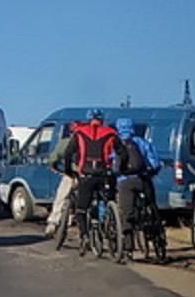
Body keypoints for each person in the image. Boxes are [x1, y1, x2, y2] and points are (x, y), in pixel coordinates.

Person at [60, 110, 121, 251]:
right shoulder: (110, 133)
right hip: (104, 174)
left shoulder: (80, 133)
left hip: (86, 175)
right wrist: (120, 169)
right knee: (107, 200)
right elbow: (122, 153)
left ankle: (84, 235)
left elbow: (68, 153)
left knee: (81, 209)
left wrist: (68, 170)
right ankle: (108, 224)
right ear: (102, 119)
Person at [113, 117, 161, 258]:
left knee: (127, 213)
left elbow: (112, 163)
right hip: (143, 180)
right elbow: (155, 163)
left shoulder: (116, 145)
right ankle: (156, 234)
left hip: (125, 182)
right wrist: (151, 173)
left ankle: (128, 246)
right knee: (152, 206)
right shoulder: (142, 142)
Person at [44, 129, 76, 239]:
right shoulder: (90, 141)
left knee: (61, 197)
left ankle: (53, 223)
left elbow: (53, 158)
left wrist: (55, 167)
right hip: (90, 175)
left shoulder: (65, 142)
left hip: (72, 175)